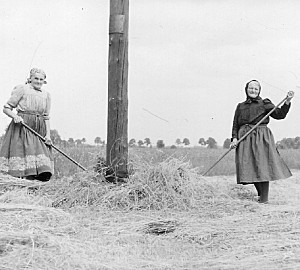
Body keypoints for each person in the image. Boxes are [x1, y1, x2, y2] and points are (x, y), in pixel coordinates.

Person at [230, 79, 294, 204]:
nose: (253, 90)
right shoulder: (240, 106)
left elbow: (280, 114)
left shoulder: (265, 103)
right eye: (251, 88)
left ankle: (264, 200)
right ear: (246, 89)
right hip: (244, 137)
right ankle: (260, 195)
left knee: (262, 166)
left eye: (256, 88)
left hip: (261, 137)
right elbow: (235, 124)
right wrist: (234, 138)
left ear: (259, 91)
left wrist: (287, 101)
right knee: (248, 166)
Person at [0, 68, 53, 181]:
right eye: (36, 78)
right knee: (23, 160)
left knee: (43, 165)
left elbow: (46, 117)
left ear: (44, 81)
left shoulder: (46, 95)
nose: (38, 81)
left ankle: (35, 187)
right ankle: (21, 187)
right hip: (22, 128)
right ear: (30, 79)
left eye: (41, 79)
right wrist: (15, 116)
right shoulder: (22, 89)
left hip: (39, 130)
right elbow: (6, 108)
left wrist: (48, 135)